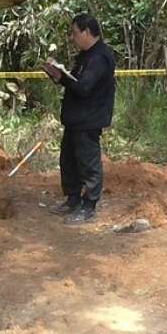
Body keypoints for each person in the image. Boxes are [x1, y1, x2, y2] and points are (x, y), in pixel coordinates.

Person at [42, 13, 116, 225]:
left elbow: (84, 87)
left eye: (75, 33)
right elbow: (75, 83)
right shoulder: (85, 56)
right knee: (69, 160)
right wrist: (57, 75)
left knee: (88, 163)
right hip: (75, 119)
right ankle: (73, 199)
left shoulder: (99, 57)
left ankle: (89, 205)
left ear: (86, 32)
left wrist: (64, 77)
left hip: (89, 119)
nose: (73, 37)